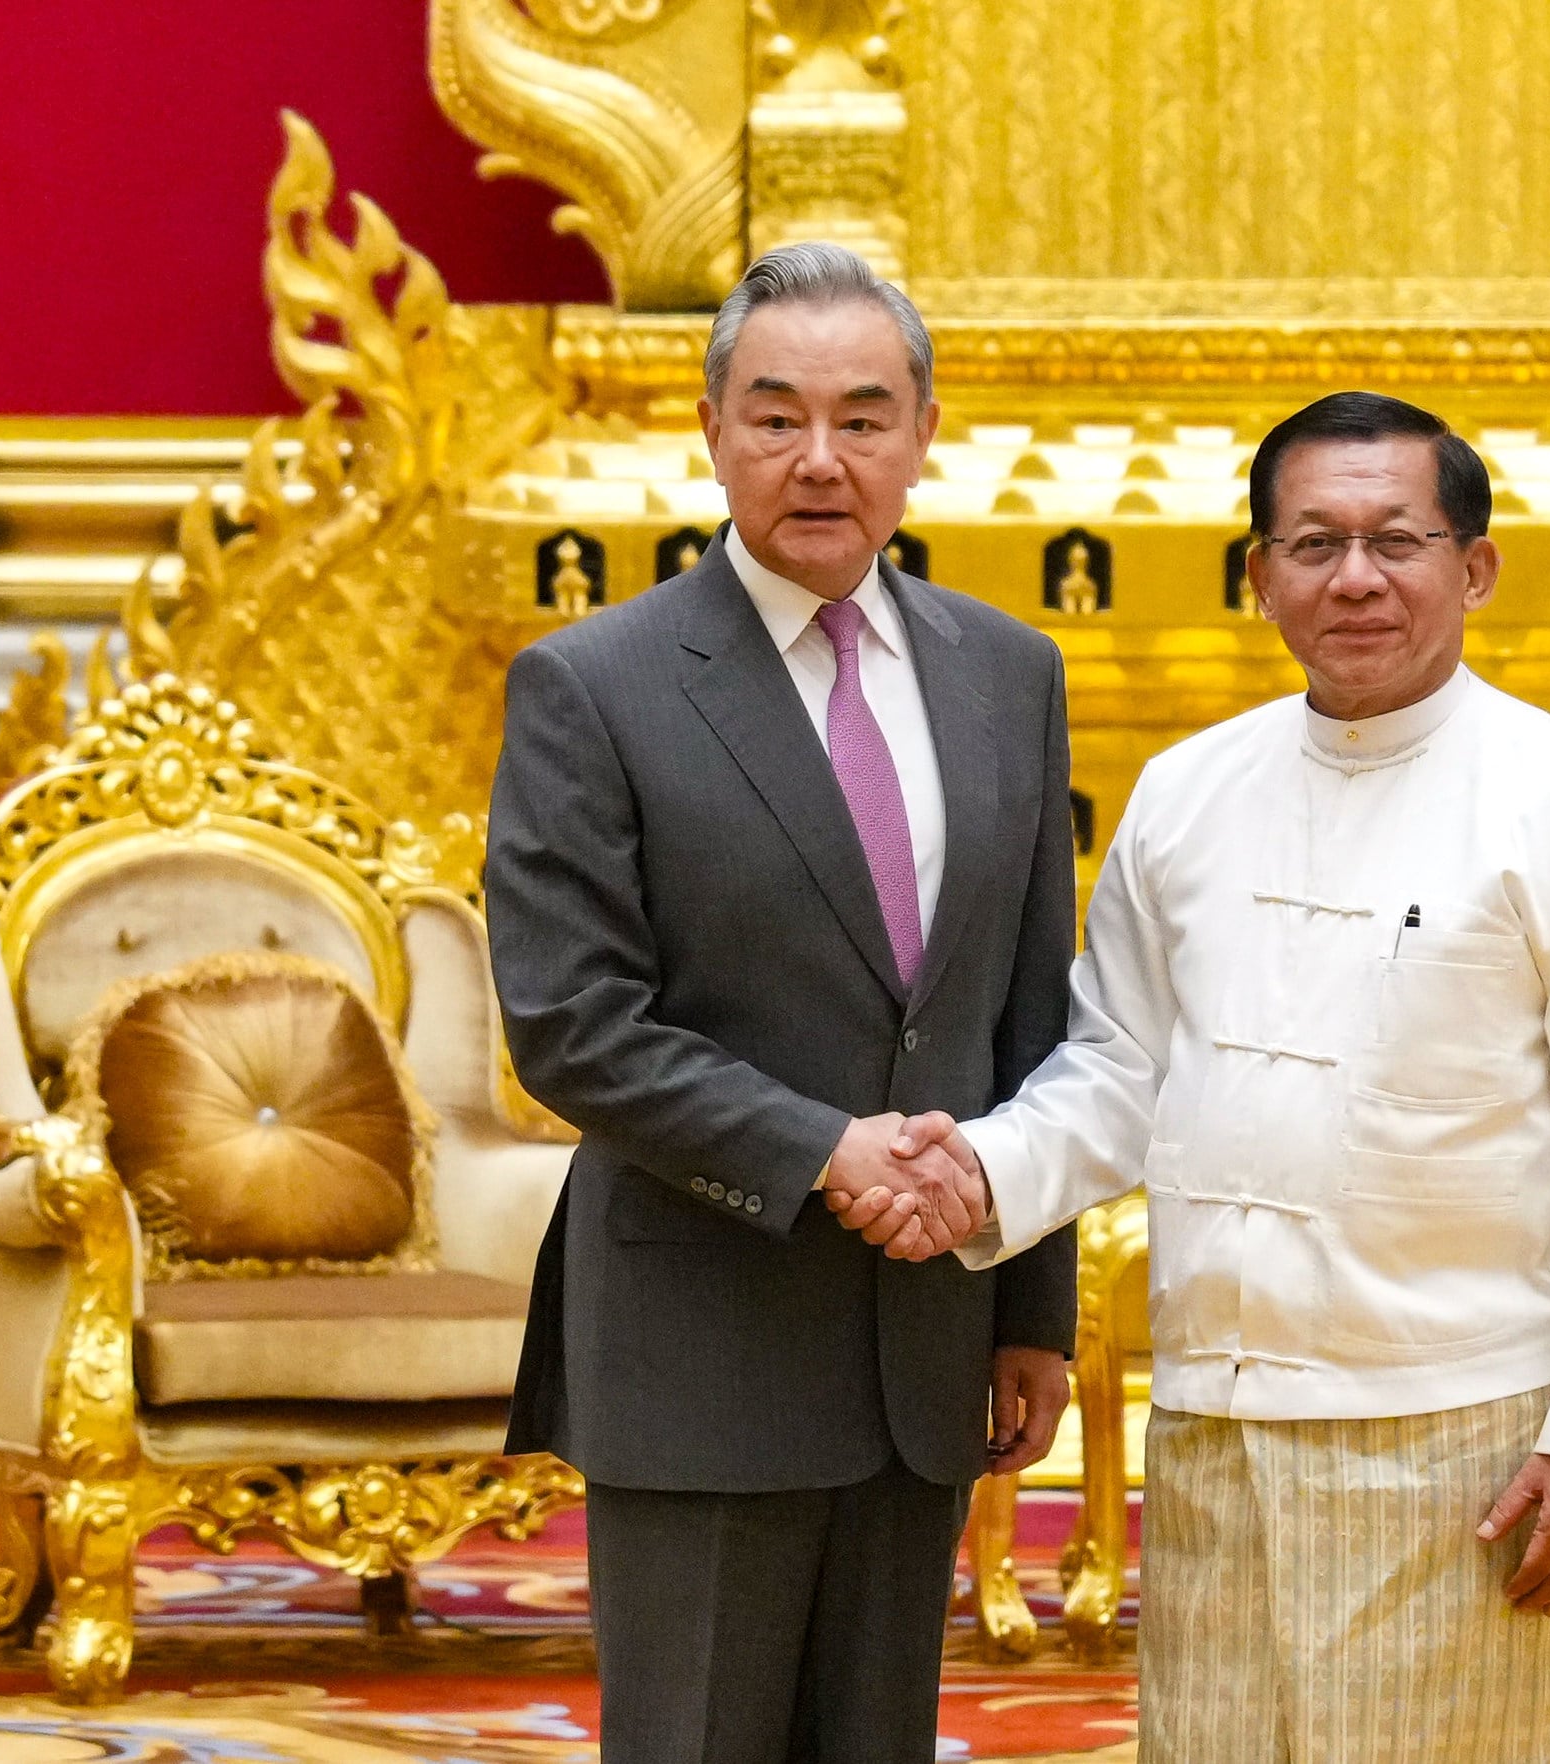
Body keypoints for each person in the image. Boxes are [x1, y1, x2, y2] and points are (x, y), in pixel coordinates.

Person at [842, 390, 1550, 1762]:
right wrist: (974, 1175)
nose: (1353, 577)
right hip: (1218, 1423)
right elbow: (1116, 1068)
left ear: (1471, 569)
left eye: (1395, 541)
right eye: (1311, 544)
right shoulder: (1185, 794)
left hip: (1458, 1430)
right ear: (1258, 578)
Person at [485, 241, 1079, 1764]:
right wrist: (828, 1151)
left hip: (924, 1333)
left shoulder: (1006, 673)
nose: (821, 460)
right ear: (710, 430)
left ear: (923, 433)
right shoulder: (594, 684)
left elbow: (1027, 1022)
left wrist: (1029, 1307)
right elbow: (571, 1023)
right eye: (775, 416)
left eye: (863, 416)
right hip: (703, 1333)